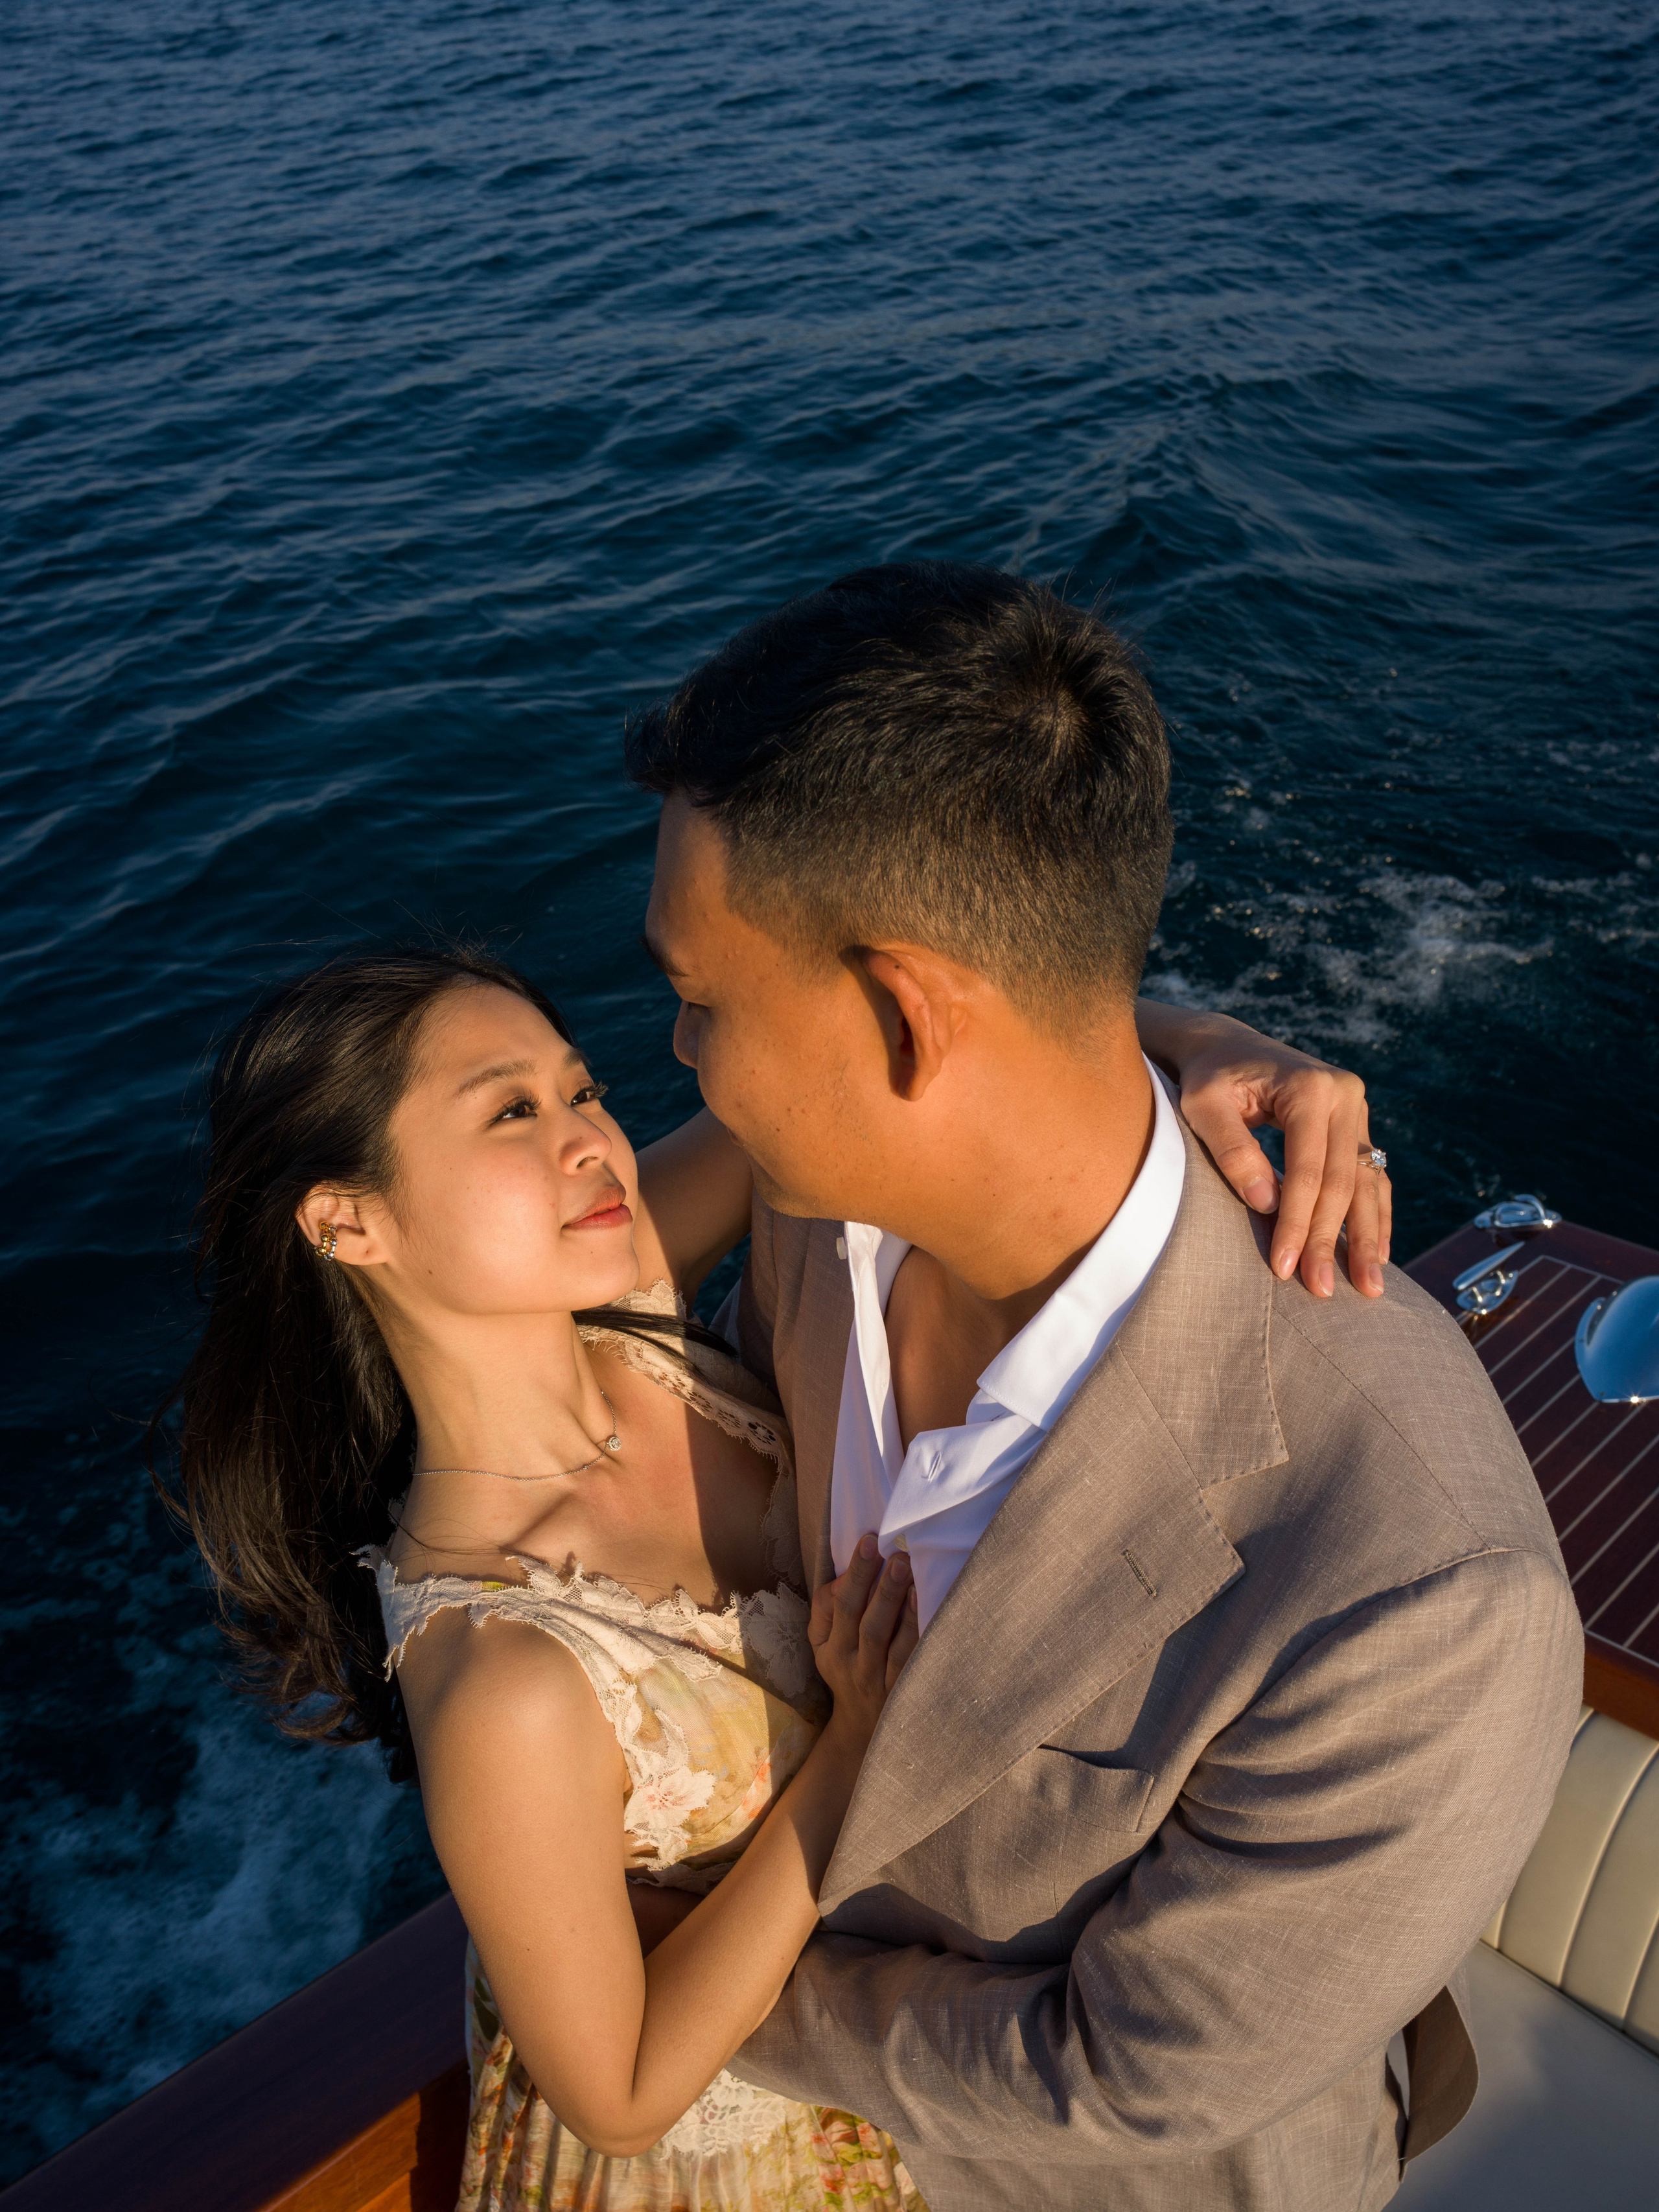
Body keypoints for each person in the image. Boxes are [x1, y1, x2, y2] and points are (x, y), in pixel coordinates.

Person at [624, 561, 1584, 2212]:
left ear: (906, 1020)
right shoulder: (819, 1209)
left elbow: (1115, 2080)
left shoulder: (1418, 1596)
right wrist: (1176, 1025)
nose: (682, 1056)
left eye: (700, 1001)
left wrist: (646, 1994)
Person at [168, 931, 1387, 2212]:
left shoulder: (632, 1300)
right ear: (348, 1222)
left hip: (908, 2064)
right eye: (511, 1113)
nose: (589, 1139)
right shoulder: (502, 1676)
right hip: (736, 2163)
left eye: (580, 1089)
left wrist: (1212, 1047)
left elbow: (893, 1063)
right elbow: (621, 2094)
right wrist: (857, 1748)